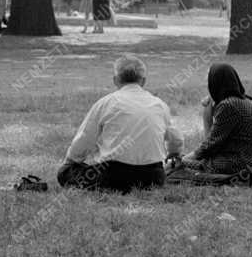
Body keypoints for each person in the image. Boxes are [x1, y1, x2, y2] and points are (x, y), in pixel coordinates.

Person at [58, 55, 183, 192]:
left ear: (115, 80)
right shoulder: (159, 104)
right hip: (153, 177)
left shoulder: (106, 103)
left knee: (65, 172)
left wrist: (72, 160)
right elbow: (176, 138)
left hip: (113, 176)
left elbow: (85, 138)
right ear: (143, 81)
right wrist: (174, 153)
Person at [171, 64, 252, 186]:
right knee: (180, 162)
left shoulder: (229, 105)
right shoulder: (243, 101)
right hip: (249, 163)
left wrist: (183, 161)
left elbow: (209, 146)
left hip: (236, 164)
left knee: (176, 166)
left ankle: (235, 180)